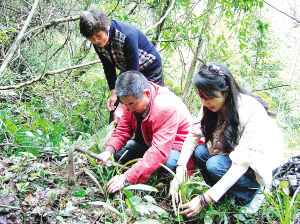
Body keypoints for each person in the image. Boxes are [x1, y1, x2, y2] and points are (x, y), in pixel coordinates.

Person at [170, 62, 284, 217]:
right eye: (201, 97)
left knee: (214, 165)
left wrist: (204, 199)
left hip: (257, 165)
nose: (204, 102)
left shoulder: (250, 111)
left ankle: (252, 194)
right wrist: (180, 169)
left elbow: (241, 164)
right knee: (201, 152)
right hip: (232, 155)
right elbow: (193, 135)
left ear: (226, 91)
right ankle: (224, 194)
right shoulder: (211, 107)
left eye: (209, 97)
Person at [97, 70, 192, 193]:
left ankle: (164, 185)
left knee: (168, 166)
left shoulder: (165, 107)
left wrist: (126, 178)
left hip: (177, 146)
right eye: (125, 105)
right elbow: (122, 130)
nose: (128, 109)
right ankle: (144, 169)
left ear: (146, 94)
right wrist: (108, 151)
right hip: (150, 140)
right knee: (118, 154)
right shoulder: (130, 101)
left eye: (131, 104)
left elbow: (158, 151)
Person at [79, 9, 164, 123]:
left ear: (106, 26)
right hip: (128, 70)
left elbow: (134, 74)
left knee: (146, 105)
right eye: (91, 39)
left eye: (98, 36)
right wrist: (114, 94)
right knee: (115, 110)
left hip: (149, 68)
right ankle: (116, 137)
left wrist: (122, 106)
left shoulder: (126, 35)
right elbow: (108, 66)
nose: (96, 40)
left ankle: (146, 137)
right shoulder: (98, 44)